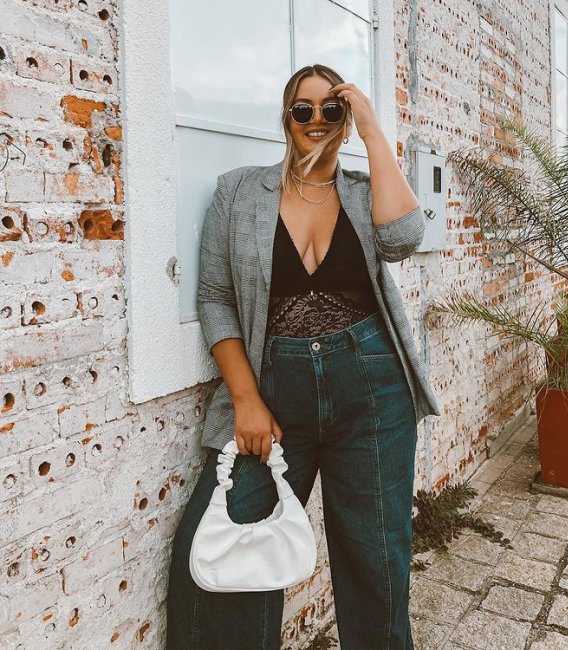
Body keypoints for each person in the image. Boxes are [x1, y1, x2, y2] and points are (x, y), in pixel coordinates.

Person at [166, 63, 441, 650]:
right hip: (273, 391)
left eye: (330, 109)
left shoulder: (367, 193)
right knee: (230, 541)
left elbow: (404, 238)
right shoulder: (239, 192)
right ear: (286, 119)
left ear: (344, 120)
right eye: (303, 109)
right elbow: (215, 297)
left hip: (371, 389)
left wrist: (370, 129)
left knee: (376, 559)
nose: (316, 120)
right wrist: (244, 398)